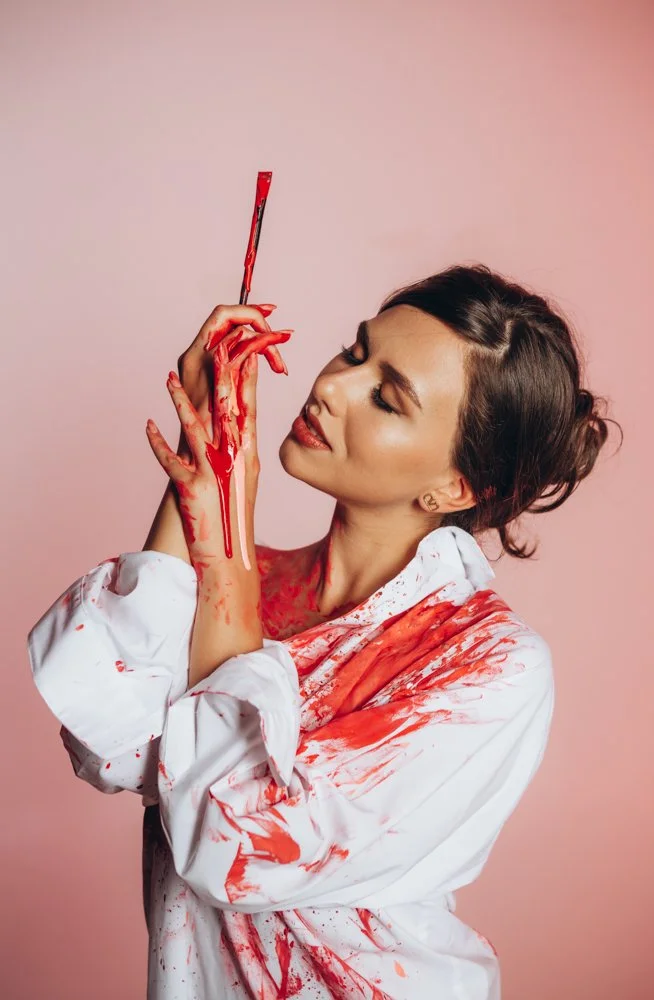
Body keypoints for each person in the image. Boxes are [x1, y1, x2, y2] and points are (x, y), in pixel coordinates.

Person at [27, 263, 620, 999]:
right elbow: (111, 748)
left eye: (386, 398)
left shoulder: (487, 665)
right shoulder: (247, 581)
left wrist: (224, 548)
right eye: (354, 351)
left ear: (455, 487)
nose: (332, 386)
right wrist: (204, 456)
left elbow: (236, 845)